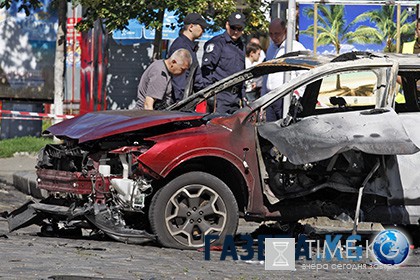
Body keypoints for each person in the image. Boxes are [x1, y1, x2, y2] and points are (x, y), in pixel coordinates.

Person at [262, 18, 306, 121]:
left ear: (285, 31)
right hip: (270, 99)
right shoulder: (270, 48)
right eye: (271, 34)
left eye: (277, 34)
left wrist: (297, 95)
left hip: (285, 99)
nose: (273, 37)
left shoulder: (295, 48)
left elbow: (303, 74)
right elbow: (266, 74)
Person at [201, 12, 246, 114]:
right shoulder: (217, 43)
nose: (236, 31)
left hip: (235, 98)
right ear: (227, 25)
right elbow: (206, 71)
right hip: (219, 97)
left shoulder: (241, 45)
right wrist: (210, 95)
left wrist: (243, 95)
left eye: (239, 29)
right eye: (233, 27)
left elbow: (242, 72)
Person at [168, 13, 209, 103]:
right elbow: (178, 80)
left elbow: (196, 78)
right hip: (180, 103)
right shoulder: (181, 46)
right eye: (202, 27)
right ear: (191, 27)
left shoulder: (189, 46)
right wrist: (181, 104)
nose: (203, 31)